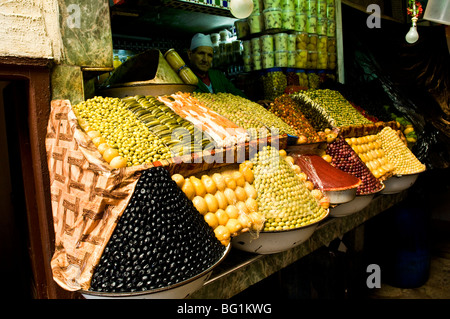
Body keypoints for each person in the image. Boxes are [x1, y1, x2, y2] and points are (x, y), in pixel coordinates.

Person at [187, 33, 247, 98]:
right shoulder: (185, 78)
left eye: (210, 55)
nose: (205, 59)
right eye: (201, 53)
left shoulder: (218, 76)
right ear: (190, 55)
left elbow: (237, 94)